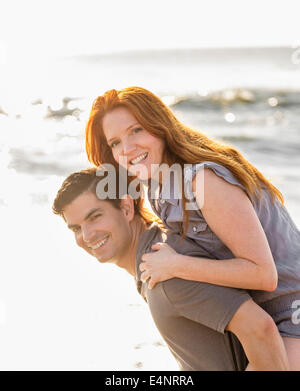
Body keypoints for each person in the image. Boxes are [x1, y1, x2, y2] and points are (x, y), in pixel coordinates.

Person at [84, 86, 300, 370]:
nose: (126, 149)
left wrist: (176, 265)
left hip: (291, 313)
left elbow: (263, 275)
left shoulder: (203, 180)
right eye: (115, 143)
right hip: (263, 317)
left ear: (159, 126)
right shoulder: (158, 188)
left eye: (136, 130)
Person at [52, 167, 290, 370]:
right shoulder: (156, 262)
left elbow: (261, 330)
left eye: (94, 217)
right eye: (75, 228)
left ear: (125, 208)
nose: (87, 235)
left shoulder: (167, 276)